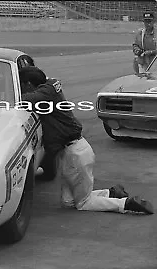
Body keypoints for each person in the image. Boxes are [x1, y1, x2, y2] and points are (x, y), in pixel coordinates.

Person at [18, 66, 154, 214]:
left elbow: (24, 99)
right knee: (68, 202)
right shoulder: (49, 89)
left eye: (22, 85)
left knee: (83, 203)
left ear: (29, 84)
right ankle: (111, 193)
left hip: (75, 154)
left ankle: (126, 204)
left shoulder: (46, 93)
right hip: (72, 152)